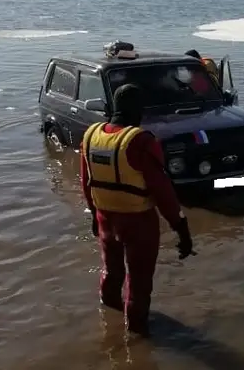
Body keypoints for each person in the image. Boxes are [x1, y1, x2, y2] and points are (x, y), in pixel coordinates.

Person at [80, 83, 195, 337]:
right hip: (138, 222)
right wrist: (182, 230)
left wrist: (93, 215)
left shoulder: (90, 136)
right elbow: (163, 191)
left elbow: (85, 181)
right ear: (138, 111)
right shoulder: (140, 141)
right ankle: (137, 336)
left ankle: (108, 317)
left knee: (111, 271)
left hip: (104, 217)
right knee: (139, 280)